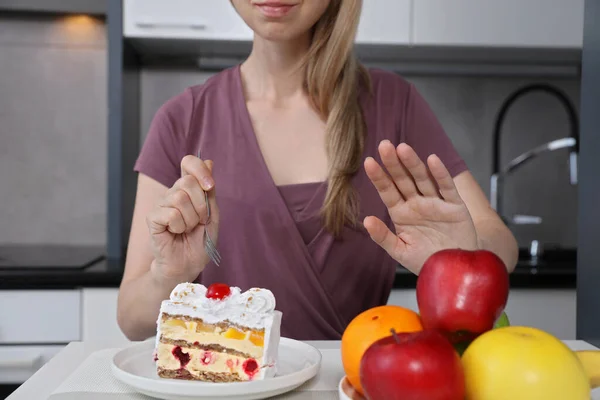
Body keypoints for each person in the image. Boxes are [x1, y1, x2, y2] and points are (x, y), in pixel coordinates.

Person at [117, 0, 518, 341]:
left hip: (353, 380)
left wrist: (462, 256)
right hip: (230, 390)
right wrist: (169, 276)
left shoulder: (395, 104)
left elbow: (499, 241)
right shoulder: (182, 119)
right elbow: (131, 319)